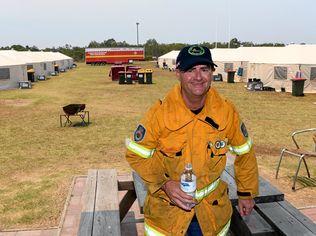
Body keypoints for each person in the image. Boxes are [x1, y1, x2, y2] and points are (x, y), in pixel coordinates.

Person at [126, 45, 259, 235]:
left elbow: (245, 152)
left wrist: (246, 193)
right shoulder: (159, 113)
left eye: (204, 69)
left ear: (212, 72)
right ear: (178, 73)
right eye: (190, 70)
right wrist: (165, 183)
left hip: (211, 213)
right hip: (167, 214)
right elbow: (136, 155)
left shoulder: (226, 112)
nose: (198, 77)